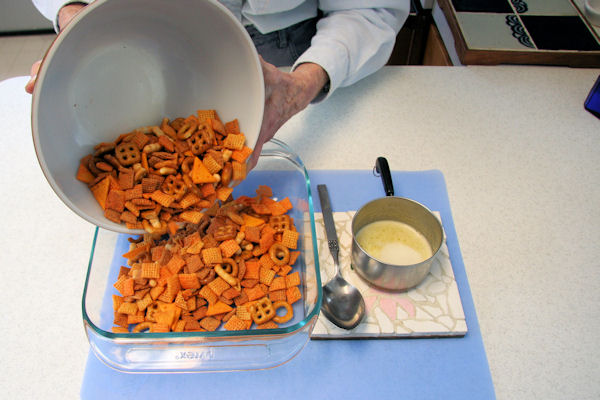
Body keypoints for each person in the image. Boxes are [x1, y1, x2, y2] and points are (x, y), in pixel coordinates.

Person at [28, 1, 409, 166]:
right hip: (142, 30)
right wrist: (80, 20)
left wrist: (300, 86)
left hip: (293, 45)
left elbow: (369, 8)